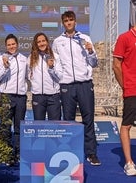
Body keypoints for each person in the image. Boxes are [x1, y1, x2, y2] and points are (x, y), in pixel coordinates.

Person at [52, 11, 101, 165]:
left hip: (85, 84)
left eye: (71, 20)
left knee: (88, 119)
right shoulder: (57, 41)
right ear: (63, 23)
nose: (68, 23)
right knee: (68, 121)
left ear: (75, 22)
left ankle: (91, 153)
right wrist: (61, 78)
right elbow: (57, 64)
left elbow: (94, 63)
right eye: (66, 20)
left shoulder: (85, 38)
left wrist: (91, 51)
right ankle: (70, 153)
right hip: (67, 86)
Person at [0, 33, 28, 162]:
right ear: (6, 46)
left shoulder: (24, 59)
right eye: (9, 45)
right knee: (5, 127)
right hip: (6, 96)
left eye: (13, 44)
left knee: (19, 127)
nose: (11, 46)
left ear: (17, 45)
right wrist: (5, 67)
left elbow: (28, 76)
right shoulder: (1, 59)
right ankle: (6, 154)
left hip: (21, 97)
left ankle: (18, 154)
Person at [113, 24, 136, 176]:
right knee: (126, 125)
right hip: (132, 89)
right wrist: (125, 86)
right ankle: (129, 163)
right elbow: (116, 66)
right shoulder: (124, 37)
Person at [28, 32, 62, 121]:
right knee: (39, 126)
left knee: (55, 126)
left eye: (43, 41)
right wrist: (34, 83)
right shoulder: (31, 58)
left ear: (47, 42)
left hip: (53, 96)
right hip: (38, 96)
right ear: (36, 44)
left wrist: (51, 68)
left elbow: (60, 77)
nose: (41, 43)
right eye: (39, 42)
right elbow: (28, 74)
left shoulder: (56, 57)